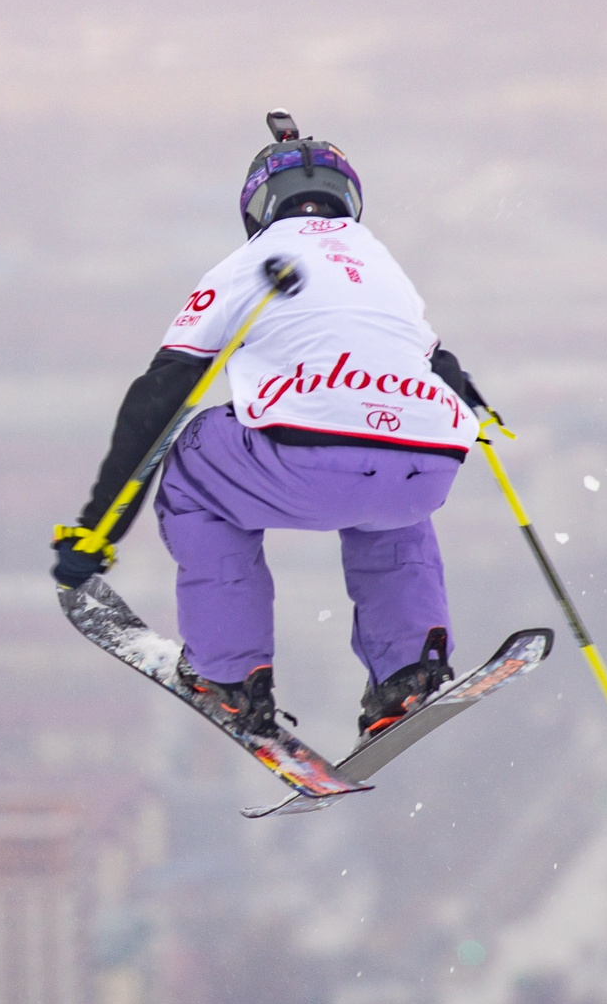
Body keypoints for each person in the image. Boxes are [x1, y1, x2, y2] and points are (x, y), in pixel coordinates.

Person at [52, 115, 494, 744]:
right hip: (428, 466)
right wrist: (477, 410)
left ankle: (228, 675)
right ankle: (409, 669)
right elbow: (441, 365)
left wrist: (98, 530)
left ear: (258, 204)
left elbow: (160, 398)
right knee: (390, 491)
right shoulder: (380, 264)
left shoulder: (248, 264)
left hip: (306, 462)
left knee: (191, 465)